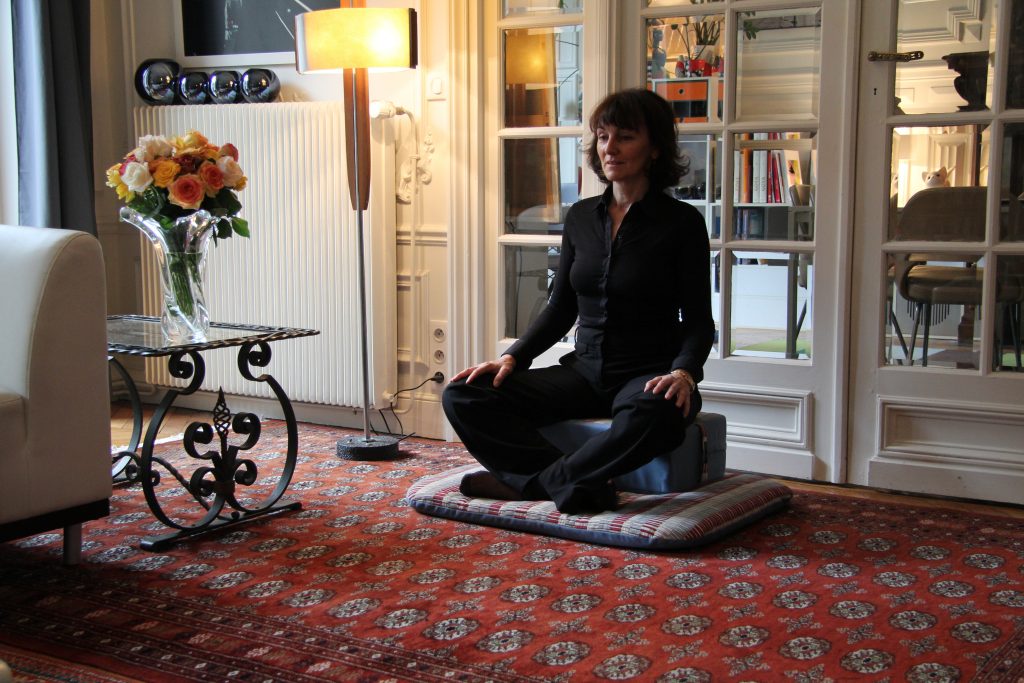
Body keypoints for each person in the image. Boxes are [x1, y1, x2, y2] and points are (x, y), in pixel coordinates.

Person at [442, 88, 714, 514]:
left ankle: (540, 484)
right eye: (603, 136)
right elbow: (559, 308)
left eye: (625, 136)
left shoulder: (682, 223)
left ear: (656, 147)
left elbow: (698, 318)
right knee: (465, 393)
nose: (610, 148)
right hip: (583, 371)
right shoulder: (581, 217)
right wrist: (514, 358)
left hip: (646, 373)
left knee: (661, 413)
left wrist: (684, 373)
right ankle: (569, 483)